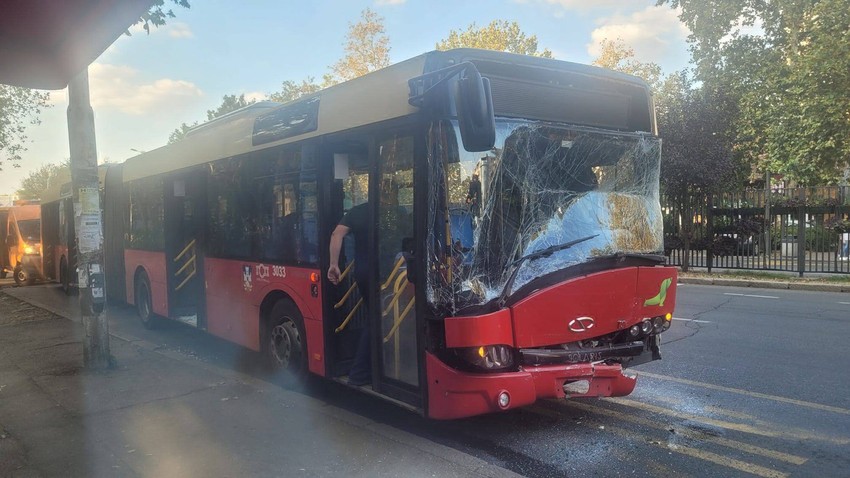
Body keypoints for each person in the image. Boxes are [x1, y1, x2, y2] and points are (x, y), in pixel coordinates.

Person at [328, 201, 372, 385]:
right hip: (384, 273)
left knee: (376, 317)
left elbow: (337, 233)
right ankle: (359, 374)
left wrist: (334, 264)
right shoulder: (394, 211)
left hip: (363, 272)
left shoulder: (359, 211)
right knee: (378, 320)